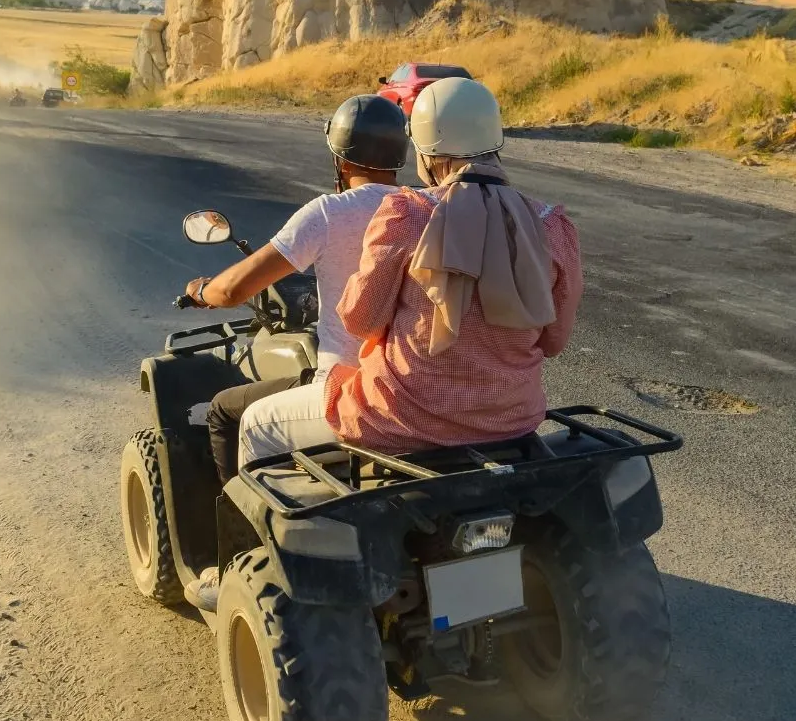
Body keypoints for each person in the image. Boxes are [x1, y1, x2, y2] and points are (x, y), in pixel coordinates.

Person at [234, 76, 582, 471]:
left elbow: (361, 320)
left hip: (397, 418)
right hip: (510, 422)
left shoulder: (407, 214)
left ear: (427, 150)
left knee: (255, 425)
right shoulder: (553, 227)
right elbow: (553, 340)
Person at [179, 95, 408, 609]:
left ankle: (241, 568)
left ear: (340, 158)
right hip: (414, 384)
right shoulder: (423, 206)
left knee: (226, 413)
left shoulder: (329, 213)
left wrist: (202, 291)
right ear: (401, 155)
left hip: (349, 390)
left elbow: (236, 288)